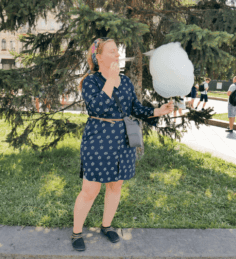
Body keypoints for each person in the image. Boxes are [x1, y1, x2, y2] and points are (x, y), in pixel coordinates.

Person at [71, 37, 174, 252]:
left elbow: (134, 108)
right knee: (90, 189)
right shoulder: (91, 81)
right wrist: (110, 78)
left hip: (122, 141)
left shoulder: (125, 81)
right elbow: (98, 107)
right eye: (111, 51)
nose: (117, 54)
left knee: (116, 185)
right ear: (98, 57)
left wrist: (158, 111)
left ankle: (106, 225)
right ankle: (77, 232)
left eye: (117, 51)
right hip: (98, 140)